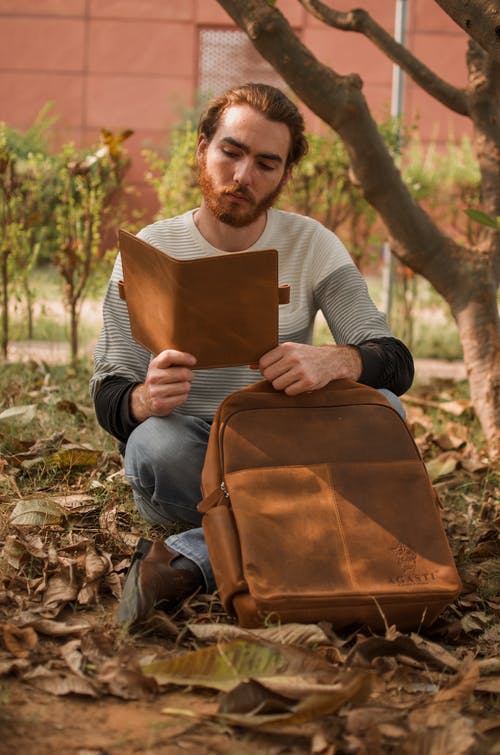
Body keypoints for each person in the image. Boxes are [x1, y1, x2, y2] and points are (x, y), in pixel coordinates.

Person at [90, 82, 414, 630]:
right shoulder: (150, 249)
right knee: (153, 444)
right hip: (195, 458)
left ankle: (191, 559)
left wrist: (338, 361)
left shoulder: (313, 246)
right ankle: (325, 521)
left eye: (266, 163)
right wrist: (144, 398)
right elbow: (108, 392)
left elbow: (394, 361)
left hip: (288, 443)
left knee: (386, 408)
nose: (242, 177)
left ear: (285, 175)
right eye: (231, 152)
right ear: (202, 149)